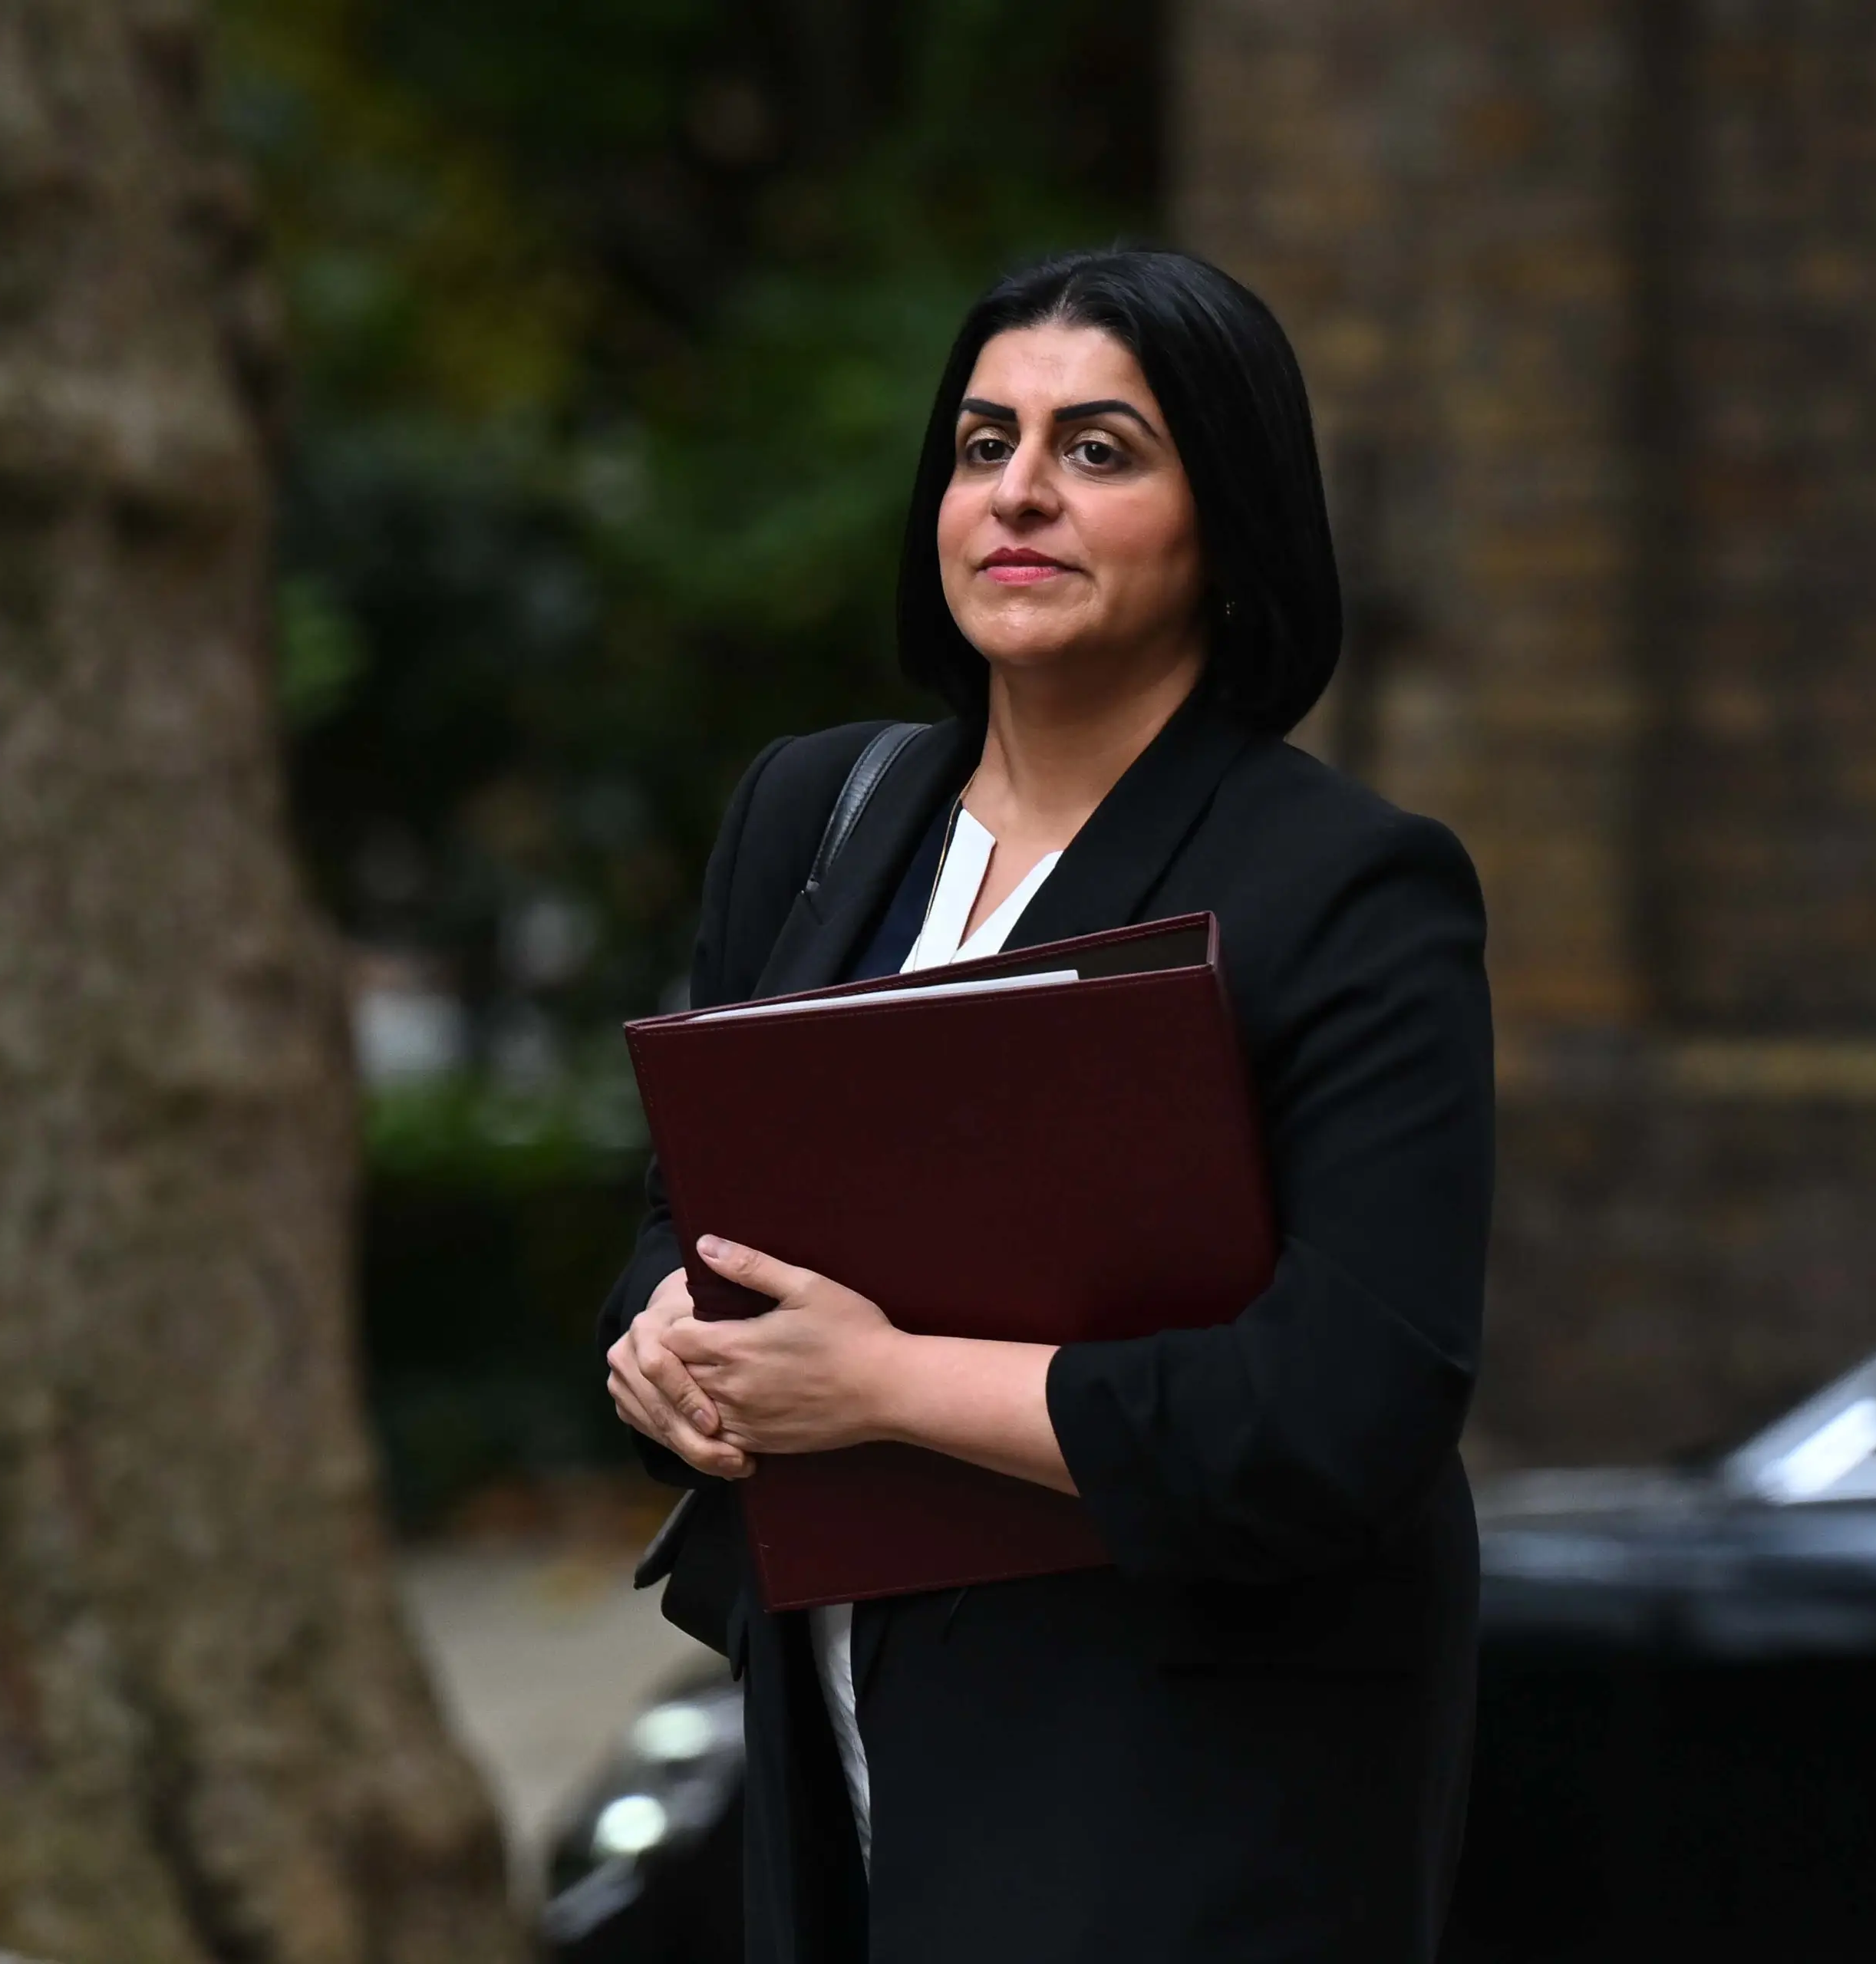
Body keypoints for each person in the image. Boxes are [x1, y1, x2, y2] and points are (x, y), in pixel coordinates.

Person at [598, 247, 1493, 1964]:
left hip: (1180, 1782)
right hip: (838, 1735)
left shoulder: (1346, 889)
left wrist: (878, 1385)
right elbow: (680, 1200)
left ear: (1224, 515)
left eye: (1099, 448)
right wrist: (655, 1343)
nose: (1017, 491)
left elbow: (1343, 1406)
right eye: (981, 440)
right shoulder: (819, 813)